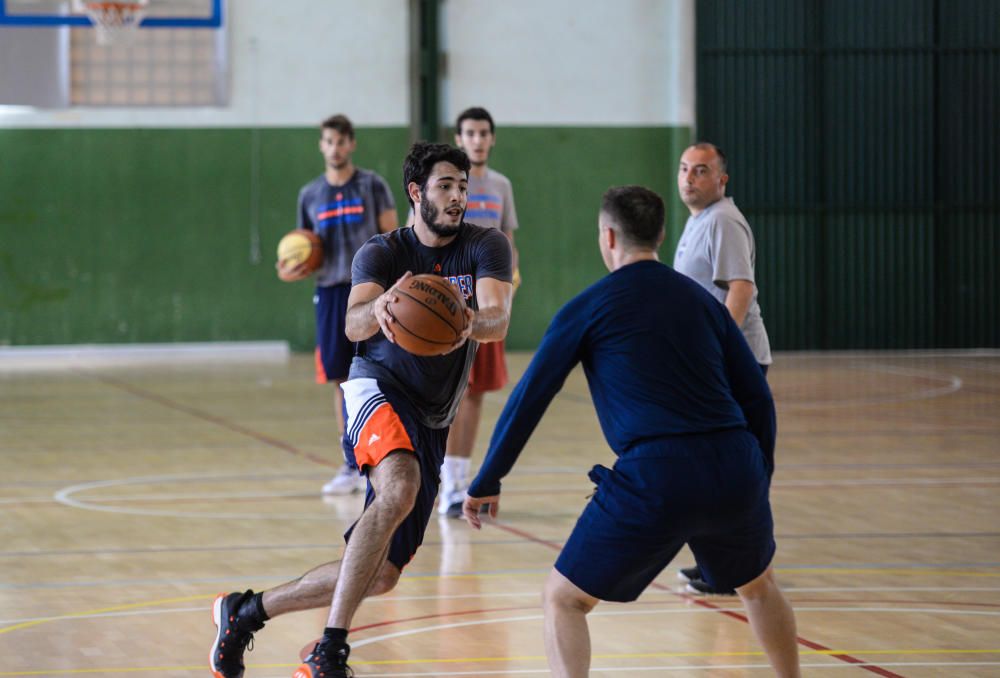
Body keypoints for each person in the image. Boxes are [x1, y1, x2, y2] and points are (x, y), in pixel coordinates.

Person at [462, 186, 800, 678]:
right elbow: (757, 397)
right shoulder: (704, 303)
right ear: (661, 235)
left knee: (563, 599)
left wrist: (488, 478)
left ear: (608, 236)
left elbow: (530, 398)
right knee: (759, 586)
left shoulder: (588, 306)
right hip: (734, 463)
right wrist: (757, 475)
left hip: (656, 475)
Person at [212, 141, 513, 678]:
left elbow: (498, 319)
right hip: (376, 388)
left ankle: (246, 611)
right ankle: (330, 648)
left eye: (463, 187)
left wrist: (467, 321)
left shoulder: (485, 246)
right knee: (398, 489)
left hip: (432, 416)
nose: (457, 198)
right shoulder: (382, 252)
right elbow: (352, 326)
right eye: (446, 186)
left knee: (382, 574)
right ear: (417, 192)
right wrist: (379, 305)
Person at [279, 114, 399, 496]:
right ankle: (351, 463)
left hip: (371, 286)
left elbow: (393, 235)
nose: (335, 148)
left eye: (341, 141)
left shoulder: (372, 185)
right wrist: (294, 265)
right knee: (341, 379)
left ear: (352, 144)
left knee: (382, 373)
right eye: (328, 141)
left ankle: (387, 455)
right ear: (322, 145)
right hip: (331, 292)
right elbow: (305, 247)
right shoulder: (310, 195)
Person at [673, 141, 773, 595]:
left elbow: (741, 289)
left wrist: (719, 352)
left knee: (732, 471)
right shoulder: (700, 221)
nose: (690, 178)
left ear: (721, 179)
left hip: (736, 364)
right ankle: (718, 562)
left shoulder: (725, 221)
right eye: (685, 169)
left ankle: (740, 568)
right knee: (711, 469)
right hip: (713, 362)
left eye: (701, 171)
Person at [440, 106, 521, 517]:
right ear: (459, 138)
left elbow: (508, 241)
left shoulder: (501, 186)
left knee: (474, 396)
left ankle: (456, 484)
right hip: (448, 303)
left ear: (492, 138)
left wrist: (508, 283)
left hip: (485, 302)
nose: (477, 139)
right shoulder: (444, 185)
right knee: (448, 395)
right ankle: (441, 479)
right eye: (469, 132)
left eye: (483, 132)